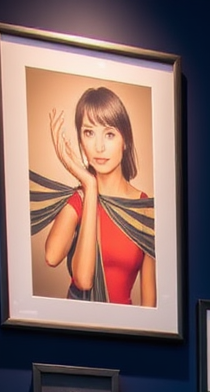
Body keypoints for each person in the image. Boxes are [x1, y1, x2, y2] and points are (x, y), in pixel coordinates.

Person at [41, 85, 156, 307]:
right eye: (89, 132)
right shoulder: (78, 200)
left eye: (110, 134)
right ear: (81, 142)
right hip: (79, 328)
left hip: (127, 330)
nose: (99, 146)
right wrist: (90, 187)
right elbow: (79, 277)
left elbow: (150, 300)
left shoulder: (145, 207)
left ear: (126, 141)